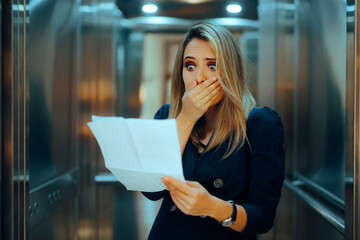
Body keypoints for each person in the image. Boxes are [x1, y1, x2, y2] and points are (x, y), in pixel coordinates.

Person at [142, 22, 285, 240]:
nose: (199, 78)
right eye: (190, 66)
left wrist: (213, 207)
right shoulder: (167, 116)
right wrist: (187, 117)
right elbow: (151, 191)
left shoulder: (261, 124)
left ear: (230, 71)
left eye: (212, 66)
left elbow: (263, 216)